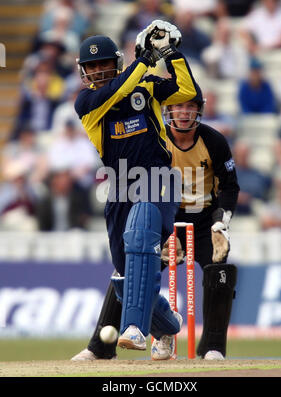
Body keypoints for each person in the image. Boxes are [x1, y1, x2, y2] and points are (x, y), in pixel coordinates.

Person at [72, 83, 240, 361]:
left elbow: (230, 187)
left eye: (191, 107)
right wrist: (162, 229)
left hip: (202, 223)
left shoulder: (214, 141)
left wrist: (221, 224)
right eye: (178, 106)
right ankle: (100, 346)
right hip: (165, 217)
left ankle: (212, 347)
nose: (184, 113)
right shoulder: (154, 139)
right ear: (167, 109)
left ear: (199, 109)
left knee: (218, 267)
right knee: (127, 270)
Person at [72, 20, 199, 357]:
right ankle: (168, 328)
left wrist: (172, 55)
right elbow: (115, 92)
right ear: (84, 72)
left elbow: (188, 93)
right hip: (119, 188)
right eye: (92, 66)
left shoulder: (144, 85)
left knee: (143, 226)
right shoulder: (87, 104)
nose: (99, 71)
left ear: (116, 63)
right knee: (126, 282)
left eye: (104, 64)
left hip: (158, 179)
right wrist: (142, 61)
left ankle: (134, 330)